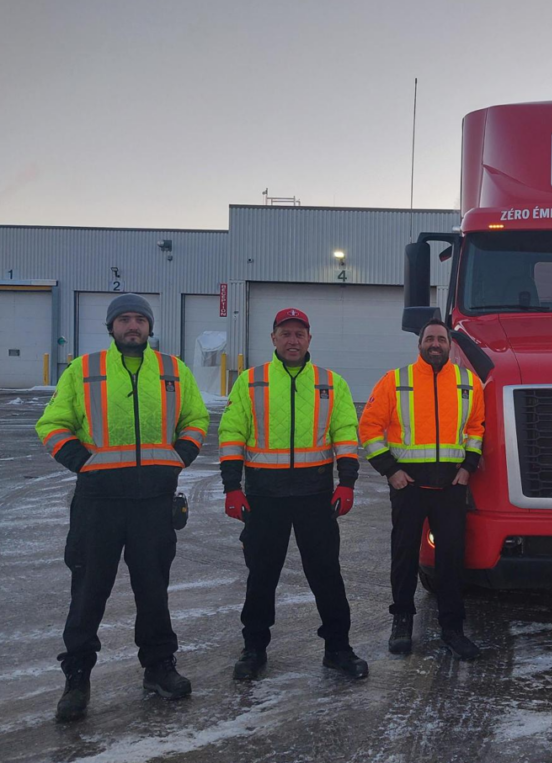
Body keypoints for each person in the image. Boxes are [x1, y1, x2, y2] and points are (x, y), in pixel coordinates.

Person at [36, 293, 209, 722]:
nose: (133, 326)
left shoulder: (173, 370)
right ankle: (77, 676)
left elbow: (196, 419)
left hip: (153, 501)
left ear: (150, 327)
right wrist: (83, 463)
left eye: (140, 320)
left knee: (153, 590)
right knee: (88, 592)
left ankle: (158, 667)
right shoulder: (84, 370)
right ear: (111, 327)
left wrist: (179, 458)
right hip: (99, 504)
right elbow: (53, 424)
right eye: (124, 320)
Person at [218, 308, 367, 680]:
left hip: (315, 496)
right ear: (273, 338)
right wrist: (232, 487)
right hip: (263, 497)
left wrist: (347, 482)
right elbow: (232, 434)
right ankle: (254, 648)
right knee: (261, 576)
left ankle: (338, 648)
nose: (292, 340)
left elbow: (346, 433)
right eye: (285, 333)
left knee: (326, 573)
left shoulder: (330, 383)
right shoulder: (252, 382)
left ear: (309, 340)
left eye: (299, 334)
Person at [359, 320, 485, 660]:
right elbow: (369, 429)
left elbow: (476, 428)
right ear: (419, 344)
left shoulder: (467, 382)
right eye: (429, 338)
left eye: (441, 339)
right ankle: (401, 621)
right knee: (403, 554)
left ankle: (452, 629)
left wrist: (467, 468)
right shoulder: (395, 381)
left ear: (450, 345)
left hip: (450, 488)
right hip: (409, 486)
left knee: (450, 559)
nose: (435, 344)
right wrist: (391, 471)